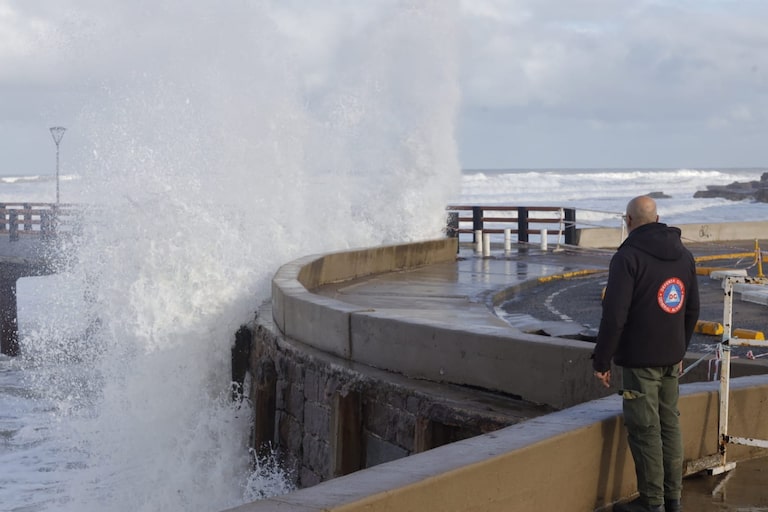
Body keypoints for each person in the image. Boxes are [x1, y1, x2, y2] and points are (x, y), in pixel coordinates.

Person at [592, 196, 700, 512]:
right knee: (670, 425)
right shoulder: (684, 254)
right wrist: (680, 348)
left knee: (645, 431)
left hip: (640, 362)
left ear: (628, 221)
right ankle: (673, 499)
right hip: (671, 358)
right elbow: (691, 308)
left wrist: (602, 360)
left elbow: (615, 316)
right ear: (657, 218)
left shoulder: (627, 257)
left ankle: (652, 504)